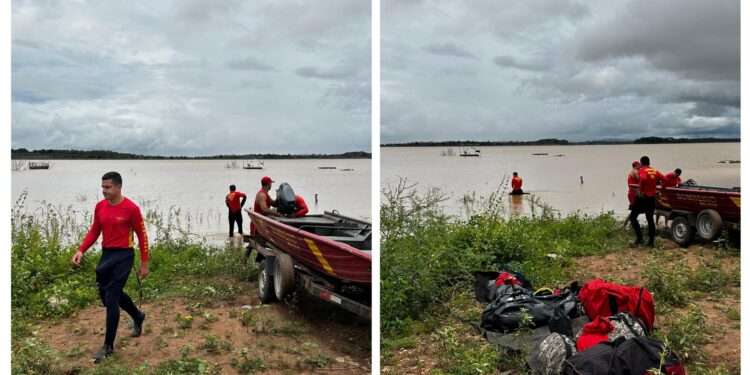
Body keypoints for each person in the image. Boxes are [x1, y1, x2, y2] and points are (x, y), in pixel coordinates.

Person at [71, 171, 149, 363]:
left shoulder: (131, 208)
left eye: (108, 187)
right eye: (103, 187)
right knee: (108, 296)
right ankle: (138, 316)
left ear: (118, 187)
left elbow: (142, 236)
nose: (104, 191)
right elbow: (95, 230)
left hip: (124, 255)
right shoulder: (100, 207)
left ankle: (108, 346)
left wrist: (144, 263)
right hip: (107, 255)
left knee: (112, 297)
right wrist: (81, 250)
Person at [629, 156, 664, 247]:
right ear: (649, 162)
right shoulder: (654, 170)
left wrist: (640, 189)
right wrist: (658, 188)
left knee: (633, 217)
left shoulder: (642, 170)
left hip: (642, 197)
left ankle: (639, 238)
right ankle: (651, 242)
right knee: (650, 219)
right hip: (651, 198)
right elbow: (664, 179)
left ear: (641, 163)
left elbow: (643, 179)